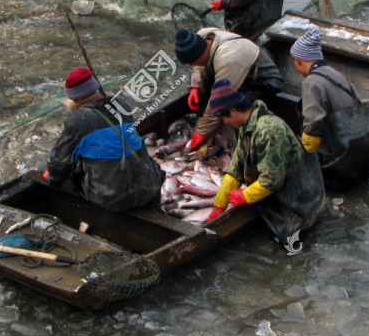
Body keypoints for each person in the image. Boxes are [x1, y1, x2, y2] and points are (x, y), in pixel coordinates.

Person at [204, 80, 324, 243]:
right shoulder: (246, 128)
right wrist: (219, 206)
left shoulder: (269, 131)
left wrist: (245, 195)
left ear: (234, 111)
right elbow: (235, 170)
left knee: (288, 239)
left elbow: (272, 180)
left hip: (299, 197)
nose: (224, 123)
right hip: (278, 189)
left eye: (224, 117)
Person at [44, 68, 163, 211]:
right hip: (149, 187)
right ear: (95, 87)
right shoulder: (121, 104)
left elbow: (59, 162)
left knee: (75, 166)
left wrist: (52, 178)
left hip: (113, 198)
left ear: (73, 98)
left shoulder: (77, 121)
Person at [290, 29, 369, 190]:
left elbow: (314, 124)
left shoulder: (312, 82)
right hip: (366, 154)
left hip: (343, 161)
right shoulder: (335, 74)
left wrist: (303, 159)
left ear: (299, 61)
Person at [175, 28, 284, 149]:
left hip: (261, 78)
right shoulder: (202, 36)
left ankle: (241, 141)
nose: (192, 65)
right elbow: (199, 66)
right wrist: (195, 86)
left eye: (192, 62)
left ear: (201, 53)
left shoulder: (228, 59)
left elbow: (221, 99)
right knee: (206, 91)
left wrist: (202, 132)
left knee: (236, 109)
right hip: (235, 67)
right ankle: (213, 126)